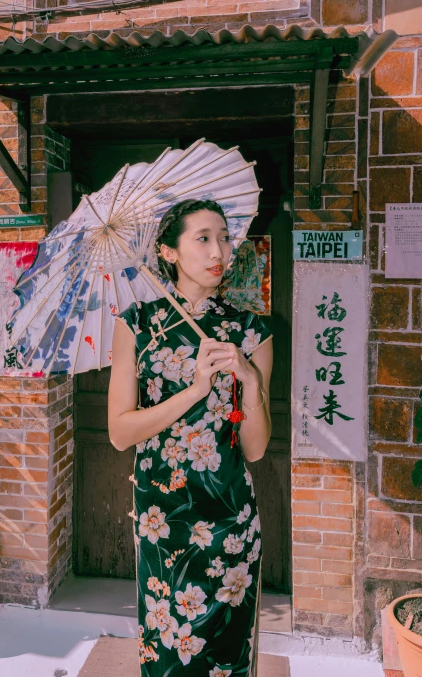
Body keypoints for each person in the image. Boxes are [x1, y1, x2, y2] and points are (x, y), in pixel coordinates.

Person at [108, 199, 273, 676]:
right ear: (169, 252)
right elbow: (120, 432)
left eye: (223, 237)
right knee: (166, 654)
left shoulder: (250, 331)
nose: (218, 250)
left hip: (230, 519)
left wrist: (251, 381)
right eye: (202, 238)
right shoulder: (136, 325)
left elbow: (256, 448)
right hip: (164, 520)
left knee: (228, 654)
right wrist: (196, 391)